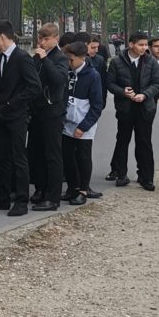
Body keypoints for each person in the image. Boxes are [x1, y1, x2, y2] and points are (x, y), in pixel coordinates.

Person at [0, 20, 40, 217]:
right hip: (2, 115)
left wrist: (11, 102)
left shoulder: (21, 57)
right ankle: (2, 196)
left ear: (2, 37)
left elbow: (34, 87)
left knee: (18, 157)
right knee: (1, 157)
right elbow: (5, 83)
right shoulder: (2, 57)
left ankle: (21, 200)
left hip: (17, 115)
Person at [105, 33, 159, 191]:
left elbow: (157, 83)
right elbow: (110, 83)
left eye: (145, 45)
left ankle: (146, 177)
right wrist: (123, 92)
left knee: (144, 143)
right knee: (123, 141)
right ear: (131, 45)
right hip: (125, 108)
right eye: (141, 45)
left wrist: (145, 94)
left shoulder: (151, 61)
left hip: (145, 108)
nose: (144, 48)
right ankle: (121, 174)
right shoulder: (116, 62)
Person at [28, 23, 70, 212]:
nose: (42, 42)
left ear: (56, 39)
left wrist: (45, 60)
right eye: (40, 39)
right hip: (37, 110)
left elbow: (58, 80)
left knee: (52, 154)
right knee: (36, 152)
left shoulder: (60, 58)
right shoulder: (37, 57)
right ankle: (40, 188)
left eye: (46, 39)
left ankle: (53, 197)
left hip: (53, 111)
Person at [60, 42, 104, 206]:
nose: (69, 63)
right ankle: (72, 187)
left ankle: (83, 190)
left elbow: (97, 105)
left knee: (83, 156)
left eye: (71, 60)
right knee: (68, 157)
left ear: (81, 57)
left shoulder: (92, 75)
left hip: (84, 123)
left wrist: (83, 126)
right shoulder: (69, 73)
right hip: (68, 123)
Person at [87, 35, 109, 108]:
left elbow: (103, 82)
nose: (96, 50)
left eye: (97, 47)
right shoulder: (75, 59)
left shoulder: (100, 60)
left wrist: (102, 101)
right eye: (93, 47)